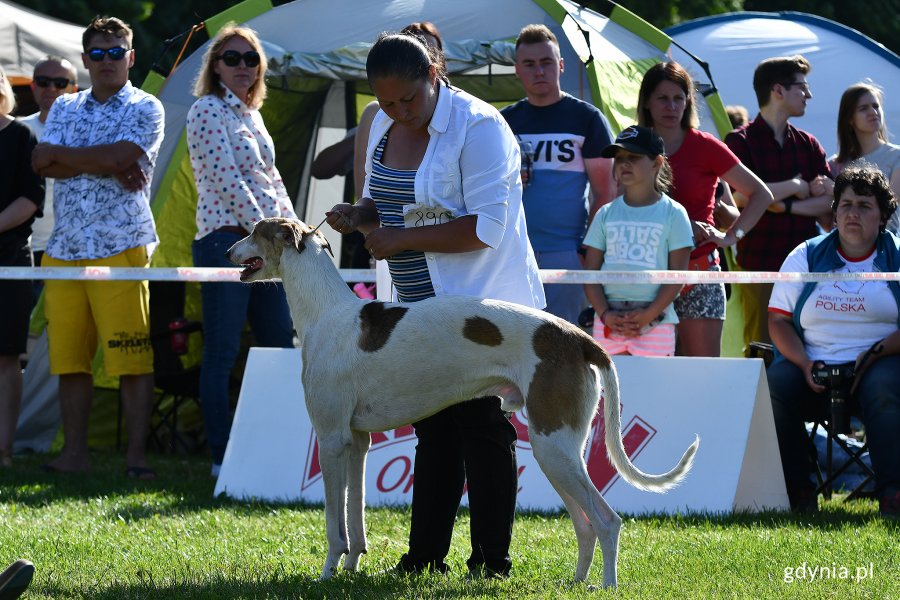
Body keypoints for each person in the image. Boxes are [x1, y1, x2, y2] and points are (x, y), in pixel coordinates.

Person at [326, 32, 544, 578]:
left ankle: (491, 562)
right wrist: (361, 214)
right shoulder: (378, 122)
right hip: (409, 307)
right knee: (433, 428)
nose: (398, 112)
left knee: (482, 427)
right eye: (386, 101)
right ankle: (425, 557)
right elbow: (388, 198)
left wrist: (400, 238)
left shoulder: (481, 127)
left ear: (435, 74)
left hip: (480, 307)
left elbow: (488, 229)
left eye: (409, 100)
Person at [31, 16, 164, 478]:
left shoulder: (148, 106)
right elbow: (40, 162)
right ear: (85, 59)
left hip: (122, 244)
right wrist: (107, 162)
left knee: (131, 358)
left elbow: (111, 159)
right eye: (98, 53)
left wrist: (90, 159)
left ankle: (136, 460)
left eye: (116, 52)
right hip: (63, 247)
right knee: (70, 361)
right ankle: (74, 455)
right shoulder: (64, 107)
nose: (107, 61)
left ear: (130, 58)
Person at [186, 25, 297, 477]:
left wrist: (299, 234)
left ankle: (272, 449)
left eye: (251, 59)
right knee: (223, 350)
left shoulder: (253, 115)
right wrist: (269, 238)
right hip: (224, 242)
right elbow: (228, 182)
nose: (243, 67)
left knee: (278, 345)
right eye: (232, 58)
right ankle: (221, 456)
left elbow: (273, 181)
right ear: (215, 66)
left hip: (267, 245)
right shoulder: (206, 109)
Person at [767, 164, 900, 516]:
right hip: (812, 363)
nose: (853, 213)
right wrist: (804, 363)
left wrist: (873, 356)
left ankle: (893, 491)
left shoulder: (898, 255)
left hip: (882, 361)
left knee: (885, 385)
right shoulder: (805, 254)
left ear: (883, 216)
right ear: (835, 211)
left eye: (864, 206)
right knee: (775, 384)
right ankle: (799, 489)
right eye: (845, 204)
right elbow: (778, 321)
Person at [635, 62, 773, 356]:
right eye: (662, 98)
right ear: (646, 101)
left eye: (679, 98)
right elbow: (616, 205)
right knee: (651, 378)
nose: (672, 106)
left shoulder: (706, 146)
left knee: (702, 376)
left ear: (688, 102)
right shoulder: (632, 145)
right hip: (644, 277)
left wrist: (731, 236)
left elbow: (761, 193)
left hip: (700, 275)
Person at [501, 24, 615, 325]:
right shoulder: (503, 121)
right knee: (515, 340)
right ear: (517, 70)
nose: (539, 71)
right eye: (529, 64)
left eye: (546, 62)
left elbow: (606, 191)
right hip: (513, 252)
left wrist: (586, 248)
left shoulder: (587, 118)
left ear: (560, 65)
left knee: (565, 342)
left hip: (567, 252)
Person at [725, 55, 833, 355]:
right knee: (759, 352)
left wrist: (782, 205)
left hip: (806, 269)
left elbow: (828, 201)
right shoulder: (739, 142)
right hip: (759, 268)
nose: (808, 95)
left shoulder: (808, 144)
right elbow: (741, 199)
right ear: (778, 91)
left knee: (809, 349)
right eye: (802, 87)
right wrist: (795, 187)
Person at [582, 125, 692, 356]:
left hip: (656, 324)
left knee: (654, 391)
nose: (624, 164)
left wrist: (648, 315)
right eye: (619, 158)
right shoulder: (605, 213)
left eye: (633, 157)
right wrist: (605, 314)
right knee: (608, 392)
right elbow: (590, 273)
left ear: (657, 163)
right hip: (608, 323)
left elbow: (678, 276)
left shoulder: (674, 213)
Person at [0, 67, 45, 467]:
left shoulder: (21, 135)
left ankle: (4, 451)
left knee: (6, 357)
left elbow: (31, 199)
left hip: (10, 258)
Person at [19, 56, 78, 300]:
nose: (51, 88)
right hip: (22, 250)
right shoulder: (16, 131)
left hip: (70, 250)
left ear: (74, 89)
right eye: (43, 81)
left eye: (60, 82)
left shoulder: (87, 134)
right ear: (33, 86)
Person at [828, 83, 900, 232]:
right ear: (849, 118)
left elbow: (889, 204)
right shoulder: (835, 164)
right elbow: (827, 217)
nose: (873, 112)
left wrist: (833, 189)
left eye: (876, 106)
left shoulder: (896, 156)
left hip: (884, 249)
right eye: (863, 108)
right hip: (842, 250)